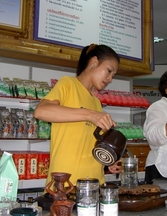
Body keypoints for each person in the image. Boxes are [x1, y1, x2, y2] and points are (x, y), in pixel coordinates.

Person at [34, 44, 122, 187]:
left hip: (95, 184)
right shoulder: (68, 84)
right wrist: (90, 115)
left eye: (113, 75)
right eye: (109, 71)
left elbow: (88, 145)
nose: (110, 78)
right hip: (65, 186)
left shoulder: (96, 102)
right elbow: (41, 111)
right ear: (94, 62)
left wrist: (109, 162)